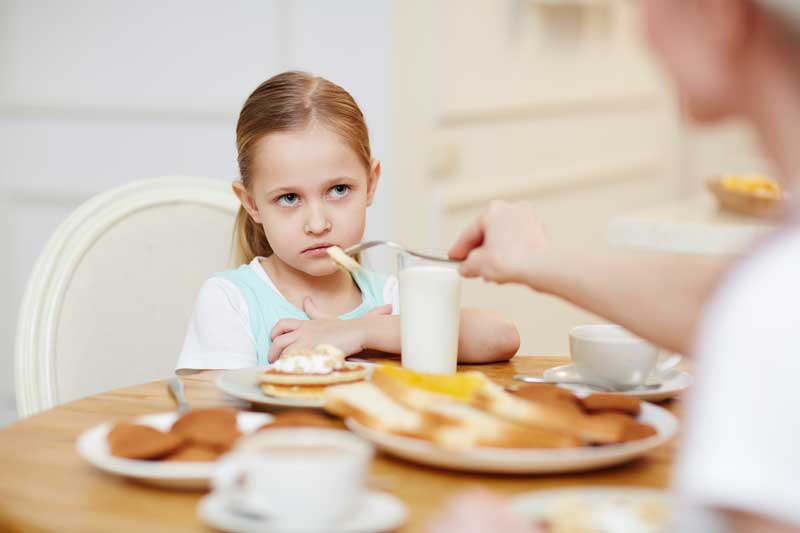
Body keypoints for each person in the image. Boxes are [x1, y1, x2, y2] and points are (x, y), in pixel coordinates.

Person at [439, 0, 800, 531]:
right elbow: (717, 303)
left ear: (718, 15)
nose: (644, 33)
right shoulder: (769, 290)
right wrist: (536, 260)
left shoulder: (772, 303)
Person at [176, 71, 519, 371]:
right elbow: (213, 410)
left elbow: (501, 337)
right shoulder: (230, 301)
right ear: (251, 204)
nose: (318, 223)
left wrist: (361, 333)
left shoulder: (389, 298)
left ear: (371, 184)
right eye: (289, 198)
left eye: (338, 190)